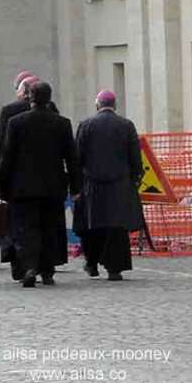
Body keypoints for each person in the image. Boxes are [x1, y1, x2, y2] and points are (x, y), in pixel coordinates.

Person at [0, 81, 79, 288]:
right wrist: (76, 187)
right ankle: (47, 270)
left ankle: (29, 267)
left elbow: (7, 156)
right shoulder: (62, 123)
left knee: (26, 229)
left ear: (29, 97)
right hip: (53, 186)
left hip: (22, 187)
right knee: (50, 228)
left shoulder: (16, 122)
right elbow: (71, 158)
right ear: (49, 98)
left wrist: (0, 185)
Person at [74, 90, 143, 281]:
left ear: (97, 105)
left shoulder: (86, 125)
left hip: (93, 185)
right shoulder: (126, 125)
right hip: (119, 185)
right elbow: (135, 156)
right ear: (115, 105)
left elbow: (78, 157)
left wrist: (76, 183)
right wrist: (136, 176)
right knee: (116, 227)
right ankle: (115, 268)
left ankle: (92, 263)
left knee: (93, 225)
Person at [0, 74, 38, 279]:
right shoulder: (51, 110)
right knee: (41, 224)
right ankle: (42, 267)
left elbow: (1, 146)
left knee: (15, 224)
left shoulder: (9, 111)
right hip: (45, 180)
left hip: (15, 179)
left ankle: (19, 265)